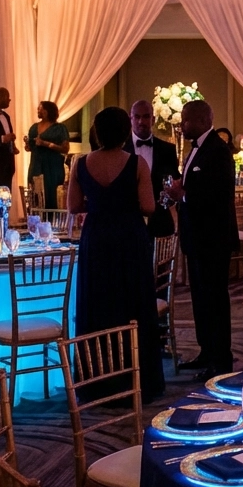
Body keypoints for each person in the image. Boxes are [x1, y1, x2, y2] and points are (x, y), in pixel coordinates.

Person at [67, 107, 165, 401]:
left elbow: (73, 206)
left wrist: (100, 203)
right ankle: (136, 380)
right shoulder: (136, 164)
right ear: (126, 132)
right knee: (132, 304)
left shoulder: (81, 163)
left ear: (96, 132)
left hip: (96, 238)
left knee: (97, 305)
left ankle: (96, 382)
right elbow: (148, 207)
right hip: (128, 238)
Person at [165, 99, 239, 379]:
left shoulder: (218, 151)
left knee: (215, 299)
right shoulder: (196, 149)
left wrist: (182, 194)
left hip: (213, 239)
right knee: (200, 298)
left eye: (186, 120)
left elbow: (218, 196)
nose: (182, 125)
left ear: (202, 120)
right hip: (196, 237)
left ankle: (221, 360)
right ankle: (206, 351)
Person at [126, 100, 180, 238]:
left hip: (160, 220)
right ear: (130, 119)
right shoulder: (121, 150)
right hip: (128, 220)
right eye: (137, 117)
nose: (141, 121)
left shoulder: (167, 150)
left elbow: (174, 181)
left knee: (160, 259)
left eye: (146, 117)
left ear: (153, 119)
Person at [24, 101, 70, 209]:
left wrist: (46, 144)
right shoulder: (34, 127)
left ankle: (51, 222)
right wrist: (28, 144)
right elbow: (30, 147)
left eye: (40, 109)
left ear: (46, 111)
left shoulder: (59, 128)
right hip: (36, 165)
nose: (38, 111)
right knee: (35, 194)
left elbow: (65, 149)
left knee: (51, 194)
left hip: (52, 166)